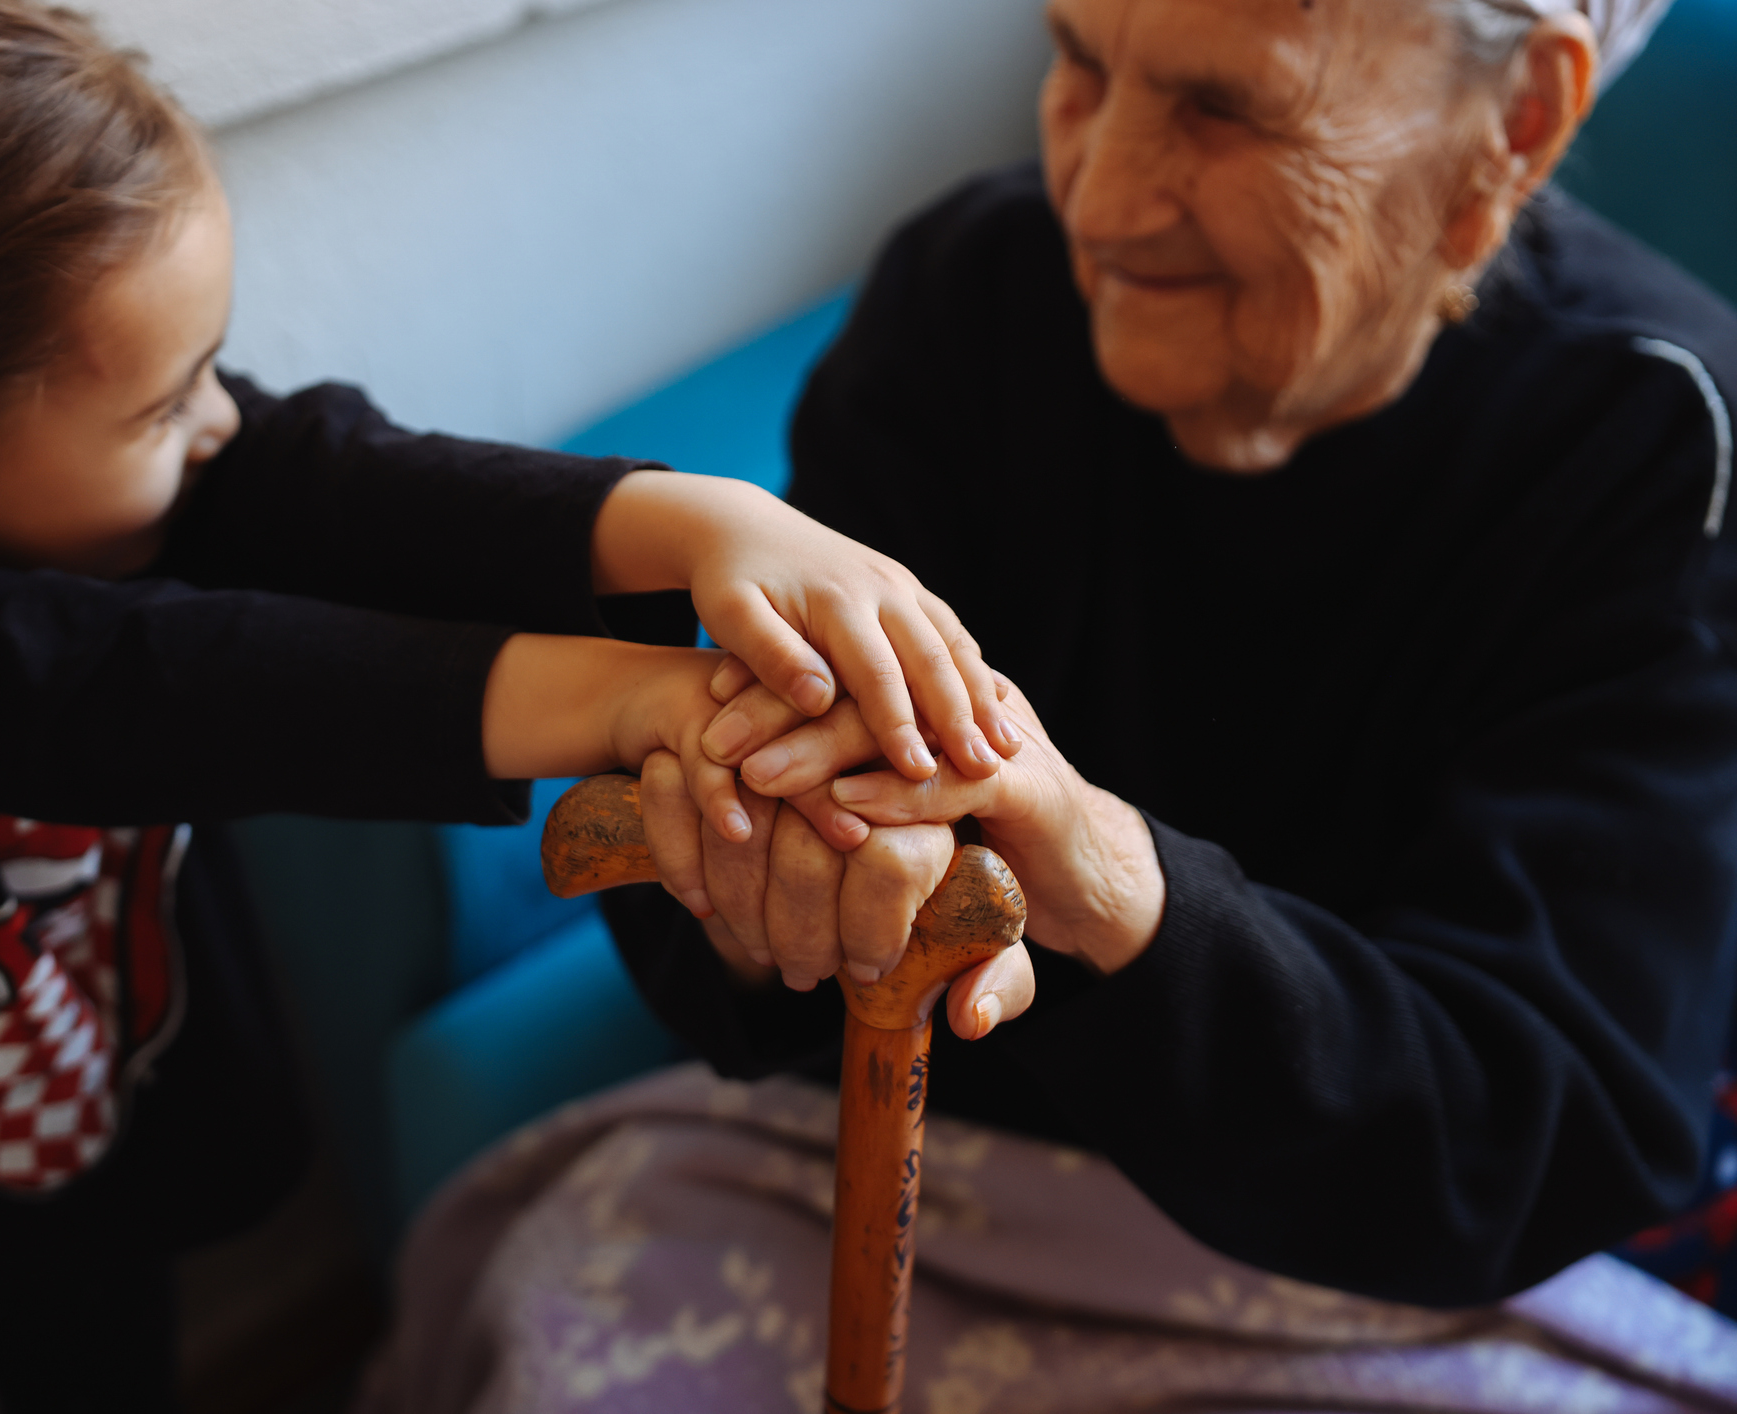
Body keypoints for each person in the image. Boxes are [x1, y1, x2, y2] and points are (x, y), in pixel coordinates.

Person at [0, 1, 1016, 1407]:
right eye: (164, 408)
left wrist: (696, 524)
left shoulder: (17, 421)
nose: (217, 420)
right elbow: (126, 685)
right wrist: (632, 699)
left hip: (100, 1156)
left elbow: (310, 469)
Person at [359, 0, 1737, 1407]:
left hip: (1366, 1275)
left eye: (1227, 108)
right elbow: (735, 965)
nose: (1102, 191)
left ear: (1516, 122)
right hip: (921, 1172)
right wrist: (754, 866)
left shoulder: (1661, 446)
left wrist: (1111, 884)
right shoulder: (972, 292)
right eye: (1076, 58)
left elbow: (1541, 1123)